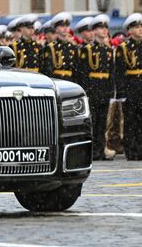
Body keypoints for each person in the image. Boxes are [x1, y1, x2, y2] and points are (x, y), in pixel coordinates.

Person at [78, 14, 114, 160]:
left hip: (104, 89)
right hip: (92, 89)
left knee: (102, 122)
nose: (104, 30)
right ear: (94, 31)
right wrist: (85, 91)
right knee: (92, 122)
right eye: (100, 28)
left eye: (105, 27)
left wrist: (111, 92)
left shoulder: (108, 50)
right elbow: (83, 72)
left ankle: (100, 149)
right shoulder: (87, 50)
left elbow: (111, 73)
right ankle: (92, 151)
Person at [115, 13, 142, 160]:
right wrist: (122, 92)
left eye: (141, 27)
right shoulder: (124, 48)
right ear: (130, 30)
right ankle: (131, 150)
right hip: (131, 87)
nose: (140, 30)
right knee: (130, 121)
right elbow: (119, 72)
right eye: (137, 27)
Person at [41, 12, 78, 83]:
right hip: (57, 81)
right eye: (62, 26)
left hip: (71, 82)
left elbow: (77, 70)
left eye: (67, 26)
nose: (65, 28)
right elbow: (48, 70)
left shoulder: (73, 48)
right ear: (56, 29)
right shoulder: (50, 47)